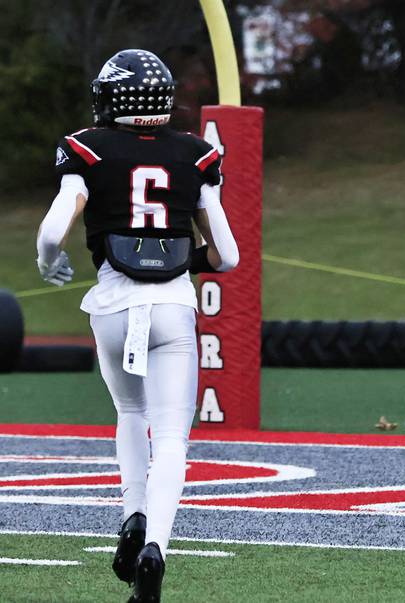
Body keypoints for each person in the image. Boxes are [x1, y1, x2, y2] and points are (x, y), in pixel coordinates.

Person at [35, 49, 239, 602]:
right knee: (172, 436)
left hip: (113, 306)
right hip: (173, 306)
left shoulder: (86, 147)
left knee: (130, 412)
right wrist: (180, 258)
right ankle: (158, 549)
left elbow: (56, 228)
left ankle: (133, 516)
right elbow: (227, 257)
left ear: (112, 97)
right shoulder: (197, 155)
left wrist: (48, 260)